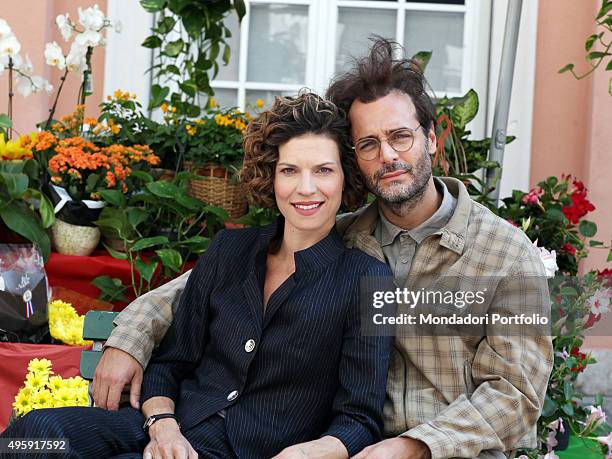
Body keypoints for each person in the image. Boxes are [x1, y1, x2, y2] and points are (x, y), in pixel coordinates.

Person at [95, 38, 553, 459]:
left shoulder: (507, 255)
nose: (388, 156)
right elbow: (189, 290)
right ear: (355, 161)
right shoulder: (342, 236)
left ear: (431, 138)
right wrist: (128, 340)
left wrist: (415, 445)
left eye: (401, 136)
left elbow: (516, 394)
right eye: (369, 144)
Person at [2, 93, 394, 458]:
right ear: (271, 178)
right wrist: (163, 426)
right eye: (289, 170)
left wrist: (311, 452)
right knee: (36, 433)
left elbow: (359, 417)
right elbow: (172, 361)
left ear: (347, 178)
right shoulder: (230, 250)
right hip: (166, 428)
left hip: (252, 450)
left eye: (323, 170)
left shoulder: (368, 281)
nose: (305, 188)